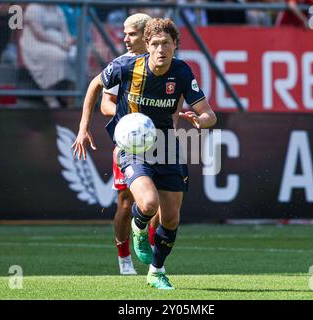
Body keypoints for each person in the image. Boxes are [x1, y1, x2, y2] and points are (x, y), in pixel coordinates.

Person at [72, 18, 216, 290]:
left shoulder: (182, 72)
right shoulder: (126, 66)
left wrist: (200, 120)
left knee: (171, 217)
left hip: (166, 146)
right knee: (148, 204)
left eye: (167, 43)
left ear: (175, 45)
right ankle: (139, 228)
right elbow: (94, 86)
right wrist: (83, 128)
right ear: (147, 46)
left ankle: (157, 271)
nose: (161, 49)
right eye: (156, 44)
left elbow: (209, 113)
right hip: (133, 147)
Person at [100, 13, 163, 276]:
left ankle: (152, 256)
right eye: (124, 33)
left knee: (159, 202)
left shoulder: (165, 66)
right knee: (125, 203)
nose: (125, 38)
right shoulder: (121, 65)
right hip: (130, 144)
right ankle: (124, 259)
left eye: (131, 34)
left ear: (146, 36)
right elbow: (105, 103)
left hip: (159, 141)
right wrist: (131, 122)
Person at [19, 3, 76, 109]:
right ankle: (49, 96)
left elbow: (65, 31)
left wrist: (68, 42)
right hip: (36, 44)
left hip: (60, 44)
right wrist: (60, 45)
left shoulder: (58, 9)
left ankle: (71, 97)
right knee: (57, 56)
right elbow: (39, 34)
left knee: (75, 55)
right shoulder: (33, 8)